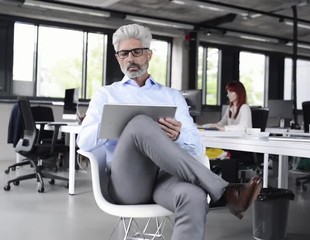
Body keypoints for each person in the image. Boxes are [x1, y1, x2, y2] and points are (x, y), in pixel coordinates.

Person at [76, 23, 262, 240]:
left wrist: (179, 136)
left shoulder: (172, 96)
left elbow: (197, 145)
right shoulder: (105, 95)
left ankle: (223, 192)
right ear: (118, 58)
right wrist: (109, 122)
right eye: (124, 54)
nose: (130, 59)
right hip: (127, 182)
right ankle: (226, 191)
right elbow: (83, 143)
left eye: (137, 52)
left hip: (166, 178)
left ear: (149, 55)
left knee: (194, 196)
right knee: (139, 123)